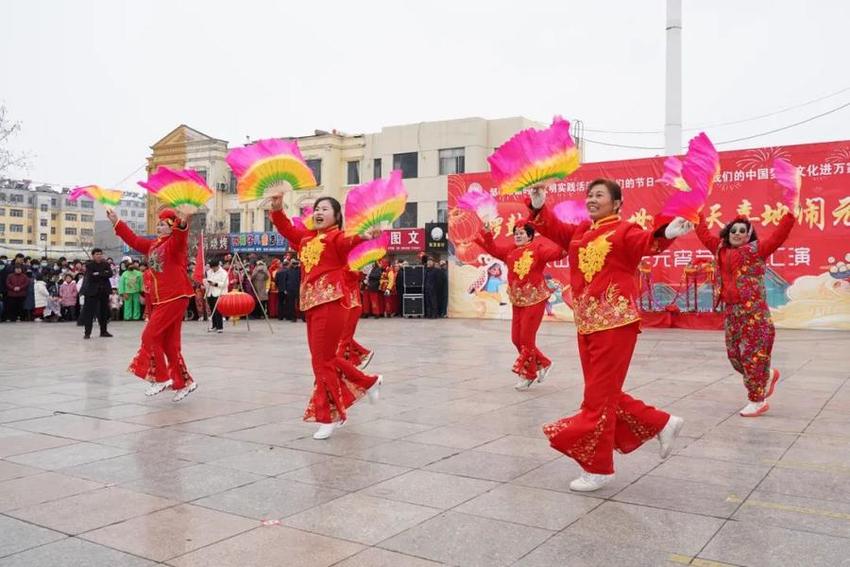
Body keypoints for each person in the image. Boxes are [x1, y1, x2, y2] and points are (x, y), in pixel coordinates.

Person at [530, 179, 691, 492]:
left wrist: (667, 234)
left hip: (615, 323)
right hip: (588, 323)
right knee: (602, 395)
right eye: (589, 195)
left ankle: (599, 469)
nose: (591, 199)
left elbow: (646, 242)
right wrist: (538, 205)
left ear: (617, 203)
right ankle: (661, 422)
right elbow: (552, 227)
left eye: (599, 195)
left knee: (595, 401)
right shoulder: (580, 232)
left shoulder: (624, 230)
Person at [269, 194, 382, 439]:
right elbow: (287, 228)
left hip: (330, 302)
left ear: (336, 216)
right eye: (317, 209)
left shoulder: (335, 237)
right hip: (311, 304)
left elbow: (349, 241)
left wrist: (366, 235)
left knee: (321, 362)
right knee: (325, 358)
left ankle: (329, 416)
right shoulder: (306, 238)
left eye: (325, 209)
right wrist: (277, 209)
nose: (318, 212)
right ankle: (368, 382)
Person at [694, 210, 795, 417]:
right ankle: (765, 375)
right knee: (735, 357)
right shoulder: (720, 249)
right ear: (727, 233)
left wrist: (790, 216)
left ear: (749, 235)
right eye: (734, 230)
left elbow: (779, 235)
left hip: (754, 314)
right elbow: (703, 233)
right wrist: (697, 213)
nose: (737, 233)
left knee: (752, 357)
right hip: (732, 312)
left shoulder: (757, 250)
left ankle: (757, 401)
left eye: (743, 231)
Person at [107, 207, 198, 402]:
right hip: (163, 299)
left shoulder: (174, 244)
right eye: (157, 223)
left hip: (174, 296)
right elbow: (132, 240)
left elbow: (181, 235)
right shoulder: (153, 245)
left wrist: (183, 221)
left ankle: (161, 378)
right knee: (169, 345)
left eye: (163, 224)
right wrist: (116, 221)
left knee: (149, 335)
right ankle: (184, 383)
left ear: (171, 226)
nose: (158, 226)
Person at [475, 222, 567, 390]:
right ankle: (544, 363)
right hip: (517, 301)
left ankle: (528, 374)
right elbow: (493, 249)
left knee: (526, 339)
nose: (517, 235)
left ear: (530, 236)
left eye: (522, 233)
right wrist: (487, 234)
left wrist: (565, 239)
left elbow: (558, 253)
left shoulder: (538, 249)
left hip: (535, 299)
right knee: (516, 339)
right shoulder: (510, 250)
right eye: (516, 233)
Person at [339, 267, 373, 370]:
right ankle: (362, 354)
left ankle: (338, 367)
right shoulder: (345, 267)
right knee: (340, 337)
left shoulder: (349, 268)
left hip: (351, 306)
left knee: (343, 338)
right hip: (346, 305)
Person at [79, 248, 113, 339]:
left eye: (100, 254)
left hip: (104, 291)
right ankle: (87, 333)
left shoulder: (106, 264)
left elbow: (110, 274)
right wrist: (102, 274)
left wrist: (98, 273)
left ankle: (104, 331)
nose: (99, 255)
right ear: (93, 255)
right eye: (97, 254)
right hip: (91, 292)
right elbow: (91, 277)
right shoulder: (89, 265)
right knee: (89, 313)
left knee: (103, 312)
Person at [205, 259, 228, 332]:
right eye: (212, 268)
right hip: (210, 293)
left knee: (218, 311)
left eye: (214, 267)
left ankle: (220, 327)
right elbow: (207, 280)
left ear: (217, 266)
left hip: (219, 293)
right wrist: (206, 282)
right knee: (212, 310)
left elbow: (225, 283)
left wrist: (215, 284)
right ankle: (214, 326)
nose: (213, 269)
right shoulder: (209, 272)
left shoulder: (223, 272)